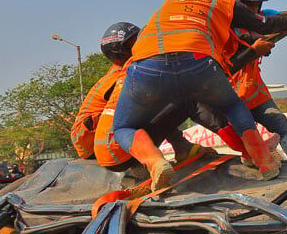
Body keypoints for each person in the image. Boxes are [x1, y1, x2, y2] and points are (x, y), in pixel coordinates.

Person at [110, 0, 287, 190]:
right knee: (233, 106)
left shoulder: (168, 4)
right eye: (250, 5)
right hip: (198, 65)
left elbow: (284, 15)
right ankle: (264, 160)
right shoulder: (221, 3)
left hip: (146, 68)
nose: (254, 8)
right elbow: (266, 25)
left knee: (123, 127)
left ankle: (155, 161)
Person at [73, 23, 202, 171]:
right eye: (134, 41)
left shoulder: (119, 71)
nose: (140, 43)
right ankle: (181, 148)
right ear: (119, 50)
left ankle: (175, 149)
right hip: (93, 143)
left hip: (97, 142)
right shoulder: (126, 73)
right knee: (181, 101)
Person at [213, 0, 287, 163]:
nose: (252, 10)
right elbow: (223, 68)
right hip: (232, 101)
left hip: (256, 95)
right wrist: (253, 50)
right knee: (253, 149)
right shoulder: (222, 30)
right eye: (247, 5)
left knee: (282, 126)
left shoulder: (262, 20)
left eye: (255, 6)